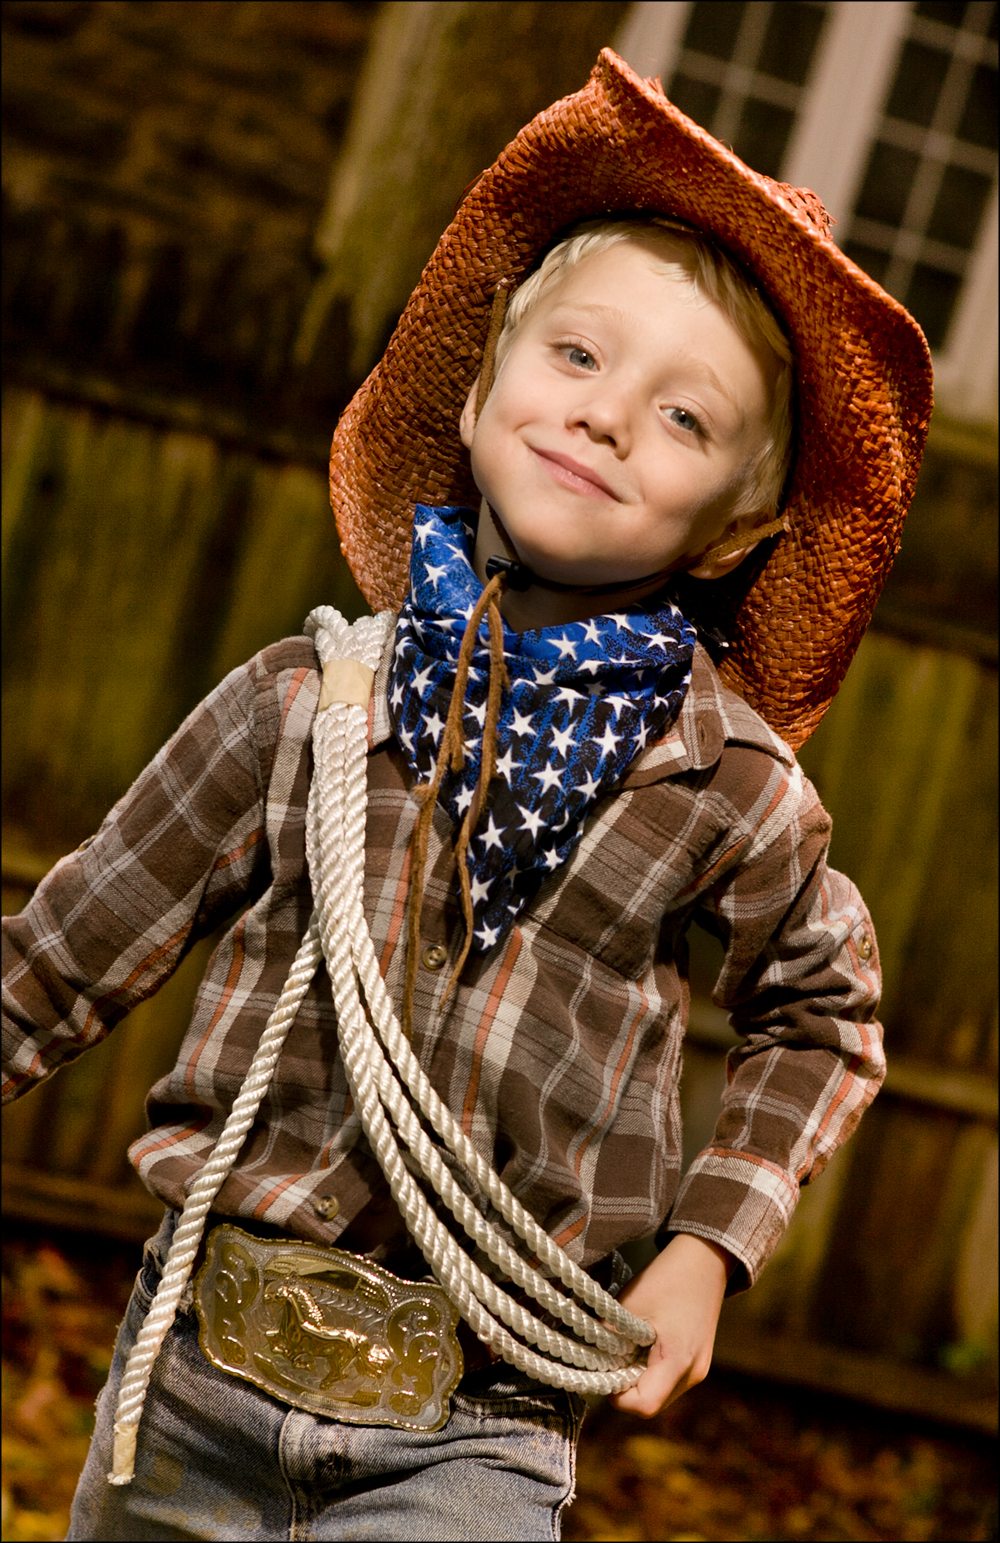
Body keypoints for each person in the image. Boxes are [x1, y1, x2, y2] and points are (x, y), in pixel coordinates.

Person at [2, 48, 932, 1543]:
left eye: (685, 417)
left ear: (735, 528)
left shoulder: (729, 784)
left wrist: (708, 1241)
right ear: (489, 373)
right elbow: (73, 940)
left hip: (478, 1420)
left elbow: (828, 1013)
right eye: (577, 357)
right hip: (204, 1362)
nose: (610, 416)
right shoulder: (314, 703)